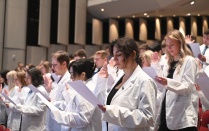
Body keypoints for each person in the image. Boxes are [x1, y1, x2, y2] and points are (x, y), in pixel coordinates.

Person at [98, 37, 157, 131]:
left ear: (133, 54)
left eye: (119, 54)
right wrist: (101, 81)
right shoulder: (120, 76)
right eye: (113, 55)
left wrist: (113, 112)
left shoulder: (145, 81)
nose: (115, 58)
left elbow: (147, 117)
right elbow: (108, 103)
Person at [154, 30, 198, 130]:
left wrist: (167, 82)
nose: (169, 48)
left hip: (183, 116)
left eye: (172, 44)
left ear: (180, 43)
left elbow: (188, 87)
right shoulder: (168, 63)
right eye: (167, 45)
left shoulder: (189, 61)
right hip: (166, 112)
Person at [50, 58, 102, 131]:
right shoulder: (84, 87)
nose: (71, 77)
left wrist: (59, 115)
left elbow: (83, 118)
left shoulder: (88, 90)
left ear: (83, 75)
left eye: (73, 74)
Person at [45, 50, 71, 131]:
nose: (53, 68)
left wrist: (52, 104)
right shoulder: (58, 79)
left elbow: (68, 104)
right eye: (52, 65)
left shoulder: (69, 80)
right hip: (54, 122)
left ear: (64, 64)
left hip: (62, 124)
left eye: (55, 65)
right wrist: (49, 91)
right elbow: (56, 98)